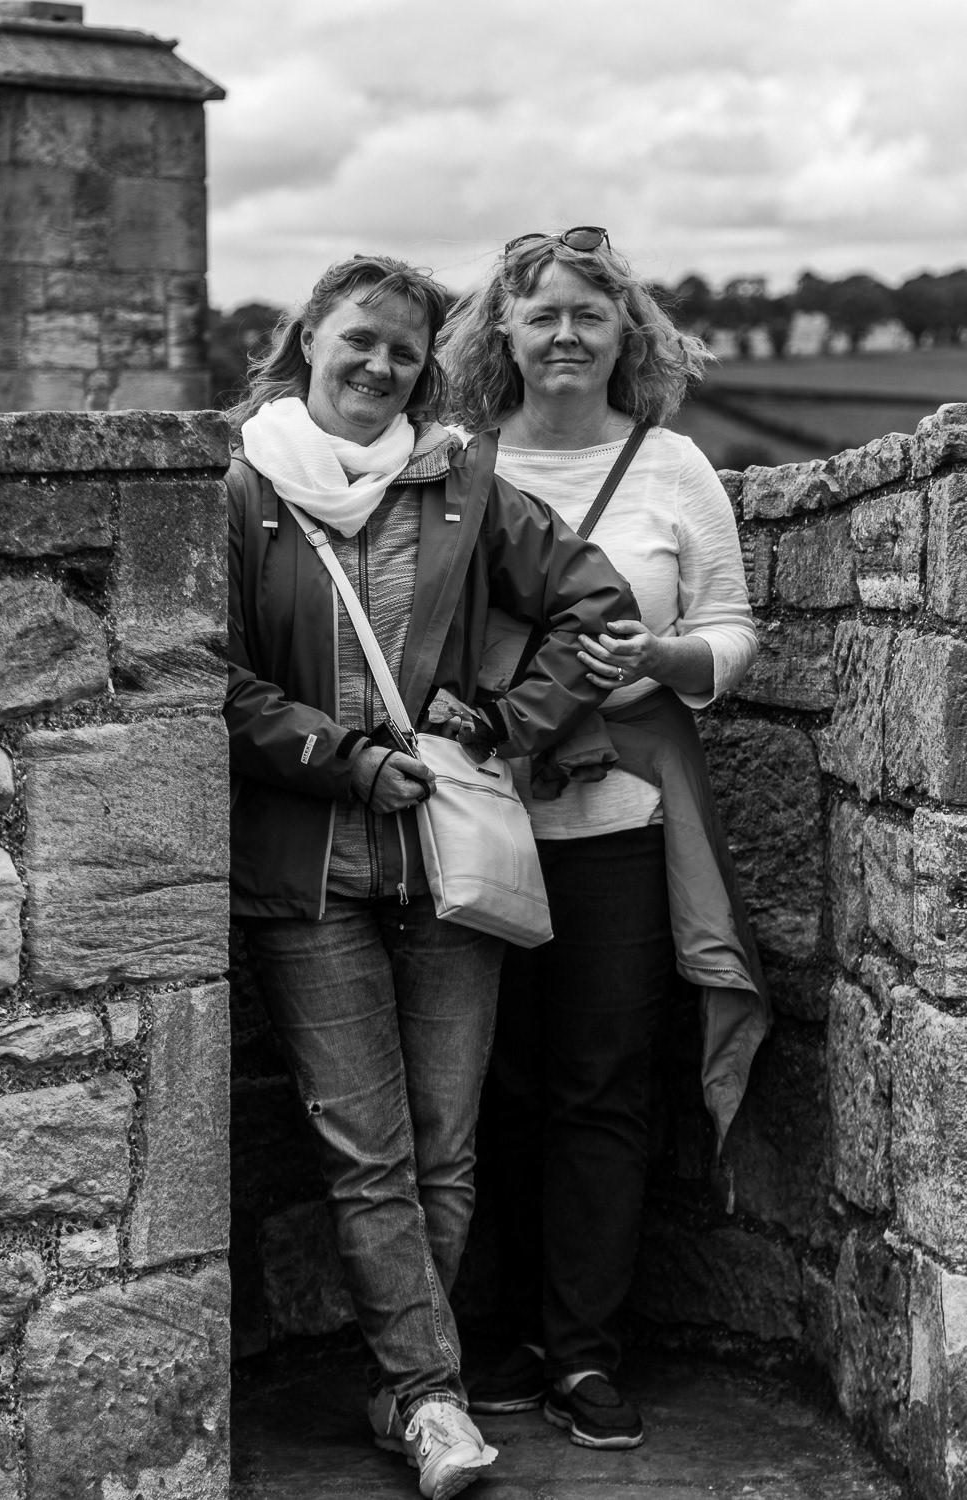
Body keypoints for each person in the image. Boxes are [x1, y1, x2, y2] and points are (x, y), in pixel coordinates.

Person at [222, 253, 637, 1500]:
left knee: (446, 1152)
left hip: (451, 866)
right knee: (368, 1154)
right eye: (359, 338)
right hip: (310, 877)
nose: (380, 365)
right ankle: (430, 1399)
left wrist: (506, 722)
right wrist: (340, 759)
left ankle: (412, 1391)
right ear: (308, 337)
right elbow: (212, 675)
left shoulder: (462, 480)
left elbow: (597, 607)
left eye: (405, 350)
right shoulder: (242, 488)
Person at [441, 227, 770, 1451]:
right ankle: (496, 1337)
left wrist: (667, 656)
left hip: (618, 823)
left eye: (590, 313)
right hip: (474, 815)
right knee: (484, 1084)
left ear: (626, 330)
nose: (567, 335)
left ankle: (581, 1350)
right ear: (504, 333)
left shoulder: (671, 466)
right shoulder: (456, 459)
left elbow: (731, 627)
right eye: (542, 315)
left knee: (599, 1087)